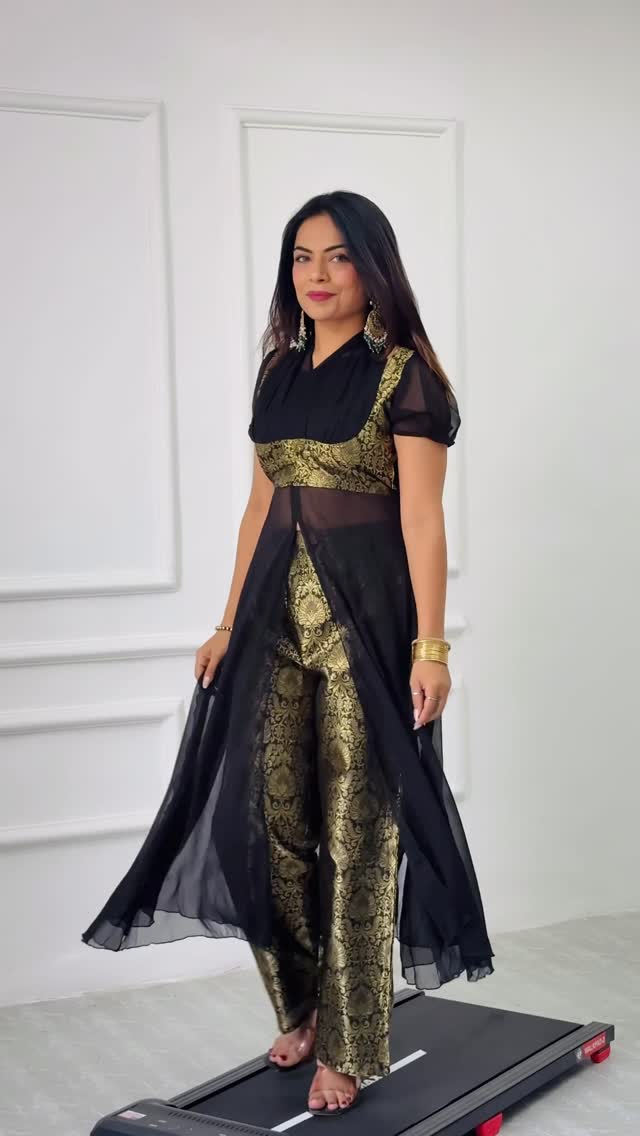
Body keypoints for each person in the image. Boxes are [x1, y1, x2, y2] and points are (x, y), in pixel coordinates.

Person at [82, 190, 495, 1116]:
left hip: (367, 631)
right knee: (267, 825)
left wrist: (431, 646)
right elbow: (259, 506)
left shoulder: (405, 378)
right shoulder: (278, 370)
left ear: (373, 269)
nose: (317, 274)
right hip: (272, 624)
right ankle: (302, 1005)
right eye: (302, 257)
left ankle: (351, 1043)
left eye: (338, 256)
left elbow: (424, 521)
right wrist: (227, 622)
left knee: (356, 829)